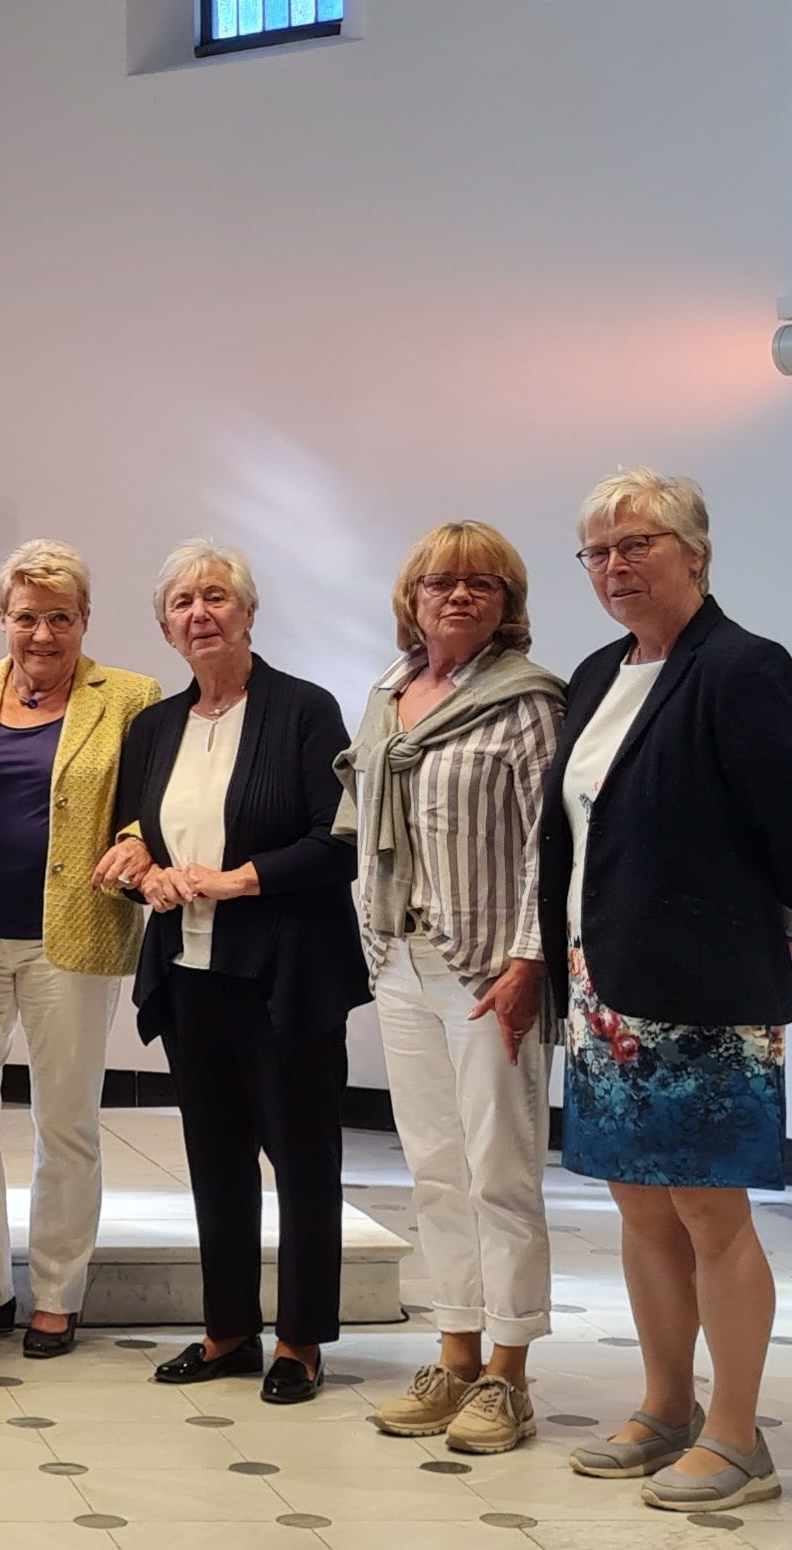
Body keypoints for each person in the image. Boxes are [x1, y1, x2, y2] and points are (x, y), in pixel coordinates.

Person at [541, 471, 792, 1513]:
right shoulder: (599, 672)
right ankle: (663, 1407)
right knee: (638, 1206)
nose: (615, 566)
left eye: (636, 543)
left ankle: (737, 1436)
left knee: (708, 1211)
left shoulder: (743, 669)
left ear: (693, 551)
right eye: (598, 551)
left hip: (706, 997)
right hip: (604, 990)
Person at [101, 539, 360, 1407]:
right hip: (188, 972)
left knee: (302, 1159)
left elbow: (339, 841)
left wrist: (235, 879)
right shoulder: (153, 727)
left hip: (284, 973)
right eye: (181, 602)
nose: (199, 613)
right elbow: (132, 838)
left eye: (215, 597)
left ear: (248, 613)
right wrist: (144, 874)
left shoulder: (304, 710)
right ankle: (226, 1331)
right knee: (213, 1160)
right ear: (164, 627)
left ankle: (299, 1340)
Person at [335, 523, 562, 1454]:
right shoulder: (387, 696)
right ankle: (455, 1355)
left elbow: (549, 847)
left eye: (481, 583)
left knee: (499, 1172)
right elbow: (360, 824)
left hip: (489, 969)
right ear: (411, 598)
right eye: (439, 582)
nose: (458, 595)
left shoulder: (527, 702)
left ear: (506, 602)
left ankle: (508, 1374)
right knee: (433, 1168)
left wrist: (528, 961)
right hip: (401, 959)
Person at [0, 540, 160, 1357]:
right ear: (2, 619)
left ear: (84, 619)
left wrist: (136, 837)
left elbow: (152, 800)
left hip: (73, 934)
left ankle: (59, 1294)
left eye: (59, 617)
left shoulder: (130, 696)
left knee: (64, 1120)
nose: (41, 634)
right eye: (26, 617)